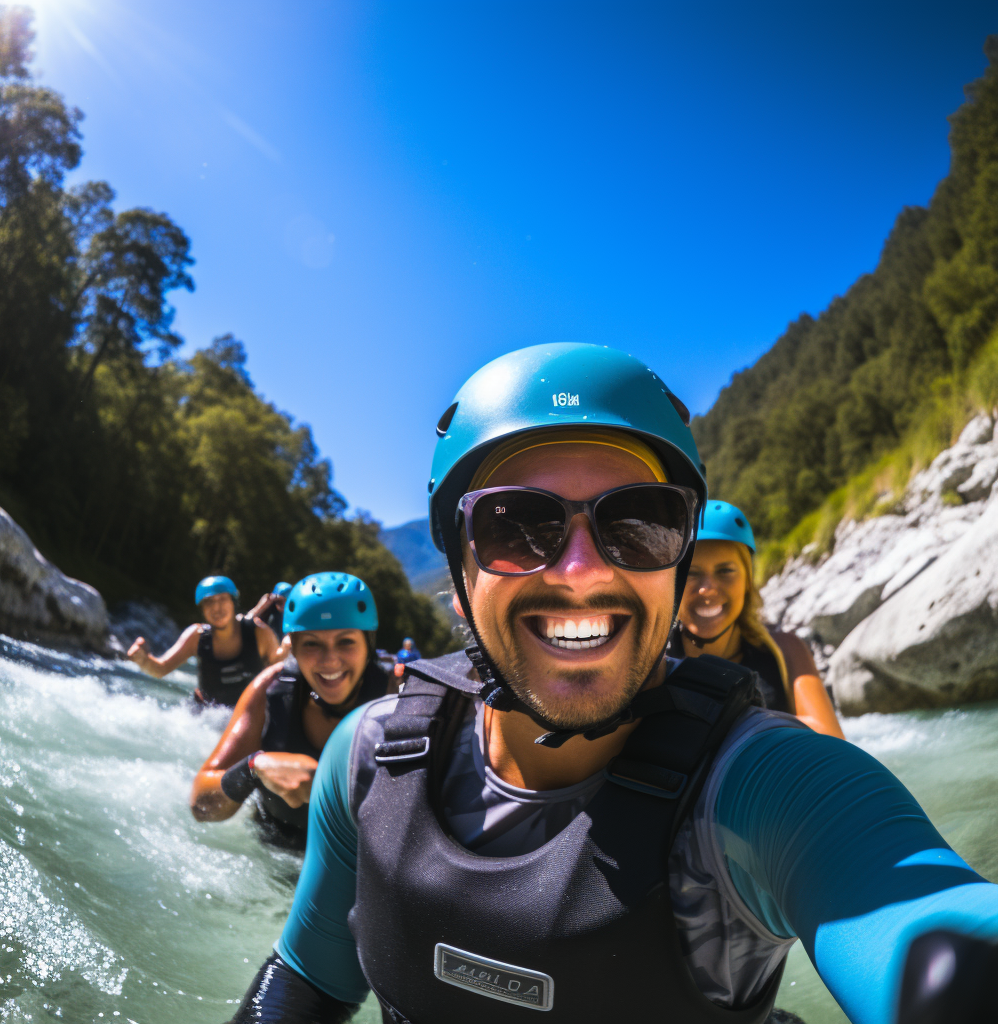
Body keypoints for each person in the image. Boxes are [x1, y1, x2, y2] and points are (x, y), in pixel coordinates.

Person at [228, 344, 998, 1024]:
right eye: (515, 524)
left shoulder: (766, 786)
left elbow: (925, 921)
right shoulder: (368, 762)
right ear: (458, 567)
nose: (581, 570)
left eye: (641, 523)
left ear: (679, 556)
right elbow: (305, 983)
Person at [189, 572, 394, 848]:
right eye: (311, 643)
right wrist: (253, 769)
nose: (330, 660)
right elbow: (200, 806)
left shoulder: (397, 695)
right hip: (274, 849)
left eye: (346, 641)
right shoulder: (271, 689)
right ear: (293, 647)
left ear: (368, 645)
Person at [670, 499, 844, 738]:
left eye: (725, 571)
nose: (707, 589)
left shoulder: (785, 650)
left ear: (747, 582)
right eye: (691, 573)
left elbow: (831, 740)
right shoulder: (653, 662)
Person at [126, 575, 279, 708]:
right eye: (209, 602)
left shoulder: (259, 633)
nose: (216, 608)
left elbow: (280, 672)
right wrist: (144, 661)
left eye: (222, 599)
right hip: (207, 715)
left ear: (234, 602)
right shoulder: (196, 636)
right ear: (202, 609)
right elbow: (161, 668)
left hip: (248, 714)